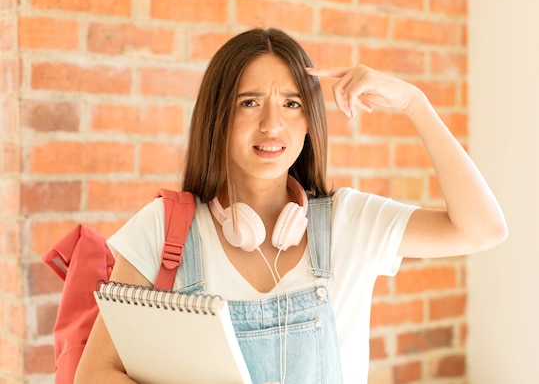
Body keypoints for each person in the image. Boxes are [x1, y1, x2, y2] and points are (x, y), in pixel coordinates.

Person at [75, 27, 507, 384]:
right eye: (249, 102)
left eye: (291, 103)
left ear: (308, 121)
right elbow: (94, 375)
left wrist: (415, 103)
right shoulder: (165, 229)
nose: (272, 123)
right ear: (217, 115)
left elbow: (483, 229)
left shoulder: (349, 222)